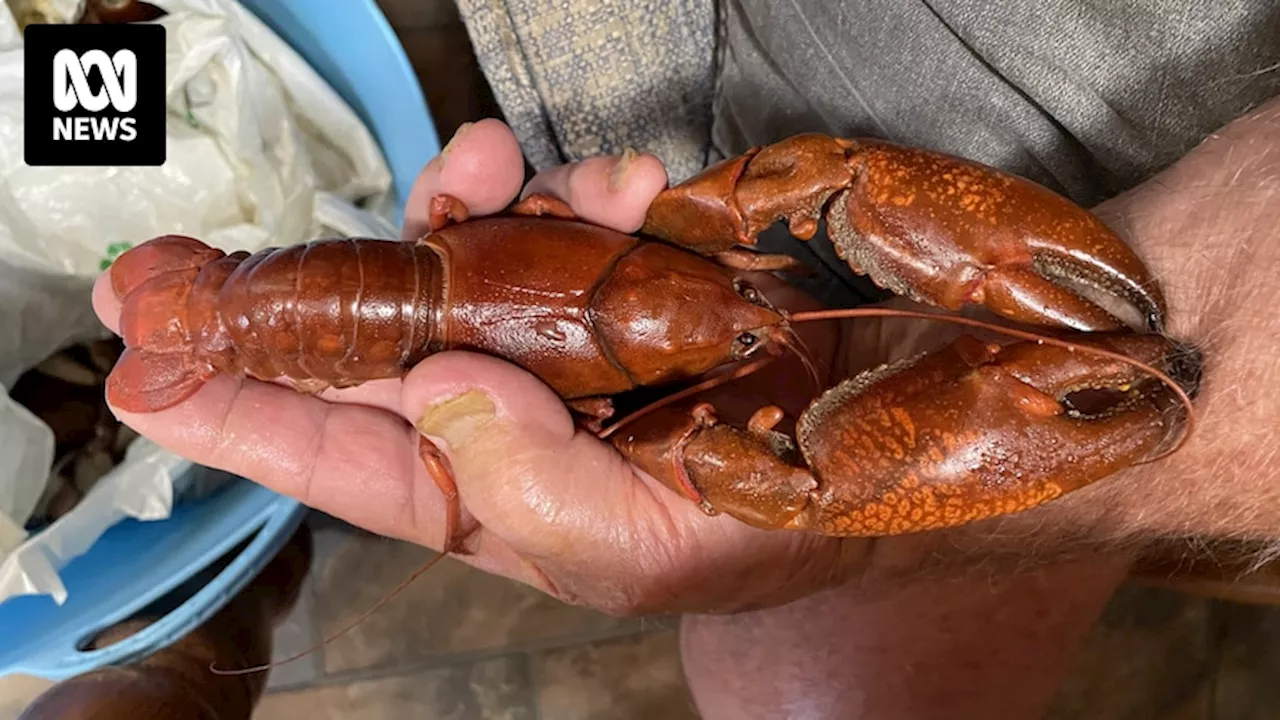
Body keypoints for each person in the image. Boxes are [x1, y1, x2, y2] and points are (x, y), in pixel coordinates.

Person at [91, 1, 1280, 716]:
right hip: (313, 301)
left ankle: (223, 620)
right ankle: (229, 619)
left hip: (372, 283)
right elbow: (820, 193)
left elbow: (835, 184)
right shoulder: (685, 278)